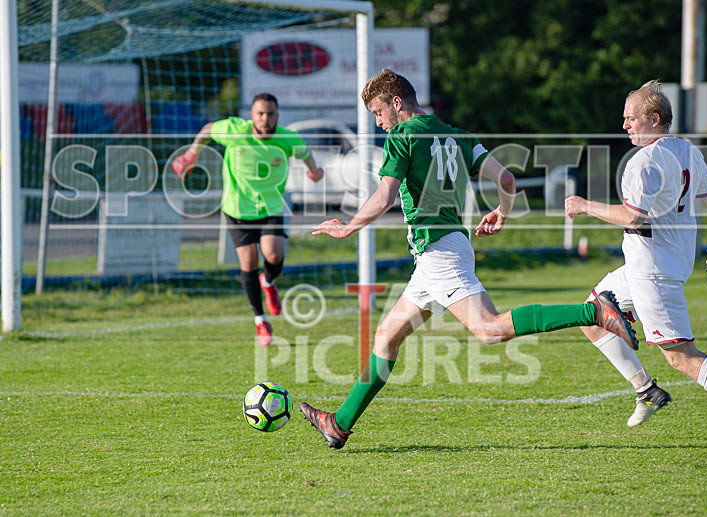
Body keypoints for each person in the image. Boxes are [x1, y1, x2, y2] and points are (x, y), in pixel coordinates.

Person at [299, 68, 638, 449]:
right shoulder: (460, 136)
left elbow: (385, 195)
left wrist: (349, 227)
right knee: (386, 337)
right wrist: (502, 212)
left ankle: (593, 312)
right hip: (445, 250)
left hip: (438, 253)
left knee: (489, 329)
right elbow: (506, 180)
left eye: (378, 113)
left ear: (396, 103)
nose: (378, 123)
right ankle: (339, 424)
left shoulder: (402, 136)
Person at [565, 80, 707, 446]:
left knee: (681, 357)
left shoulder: (643, 162)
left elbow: (633, 217)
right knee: (592, 315)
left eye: (631, 117)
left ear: (654, 119)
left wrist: (584, 205)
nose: (624, 125)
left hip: (654, 271)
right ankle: (646, 390)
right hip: (653, 264)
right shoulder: (687, 150)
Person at [172, 93, 324, 346]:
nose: (265, 119)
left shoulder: (287, 138)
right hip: (237, 209)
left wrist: (314, 171)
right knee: (249, 261)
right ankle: (260, 321)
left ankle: (269, 280)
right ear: (252, 115)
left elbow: (305, 152)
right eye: (260, 114)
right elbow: (208, 129)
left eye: (270, 114)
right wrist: (191, 155)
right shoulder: (235, 131)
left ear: (277, 115)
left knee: (273, 254)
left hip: (271, 206)